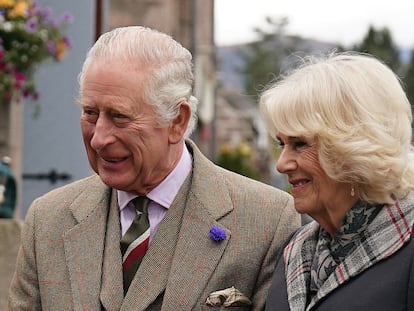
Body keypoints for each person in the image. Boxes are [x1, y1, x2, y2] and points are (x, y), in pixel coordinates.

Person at [8, 26, 300, 310]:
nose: (98, 138)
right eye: (90, 113)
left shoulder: (266, 220)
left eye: (119, 116)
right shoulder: (47, 221)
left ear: (177, 121)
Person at [260, 52, 414, 311]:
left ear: (355, 148)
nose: (281, 163)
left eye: (300, 144)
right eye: (281, 144)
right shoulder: (293, 250)